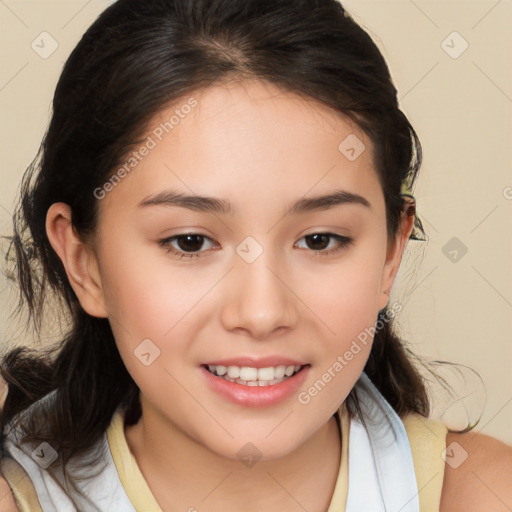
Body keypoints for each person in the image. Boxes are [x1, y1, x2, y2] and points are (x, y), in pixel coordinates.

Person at [1, 0, 511, 511]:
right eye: (190, 242)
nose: (263, 313)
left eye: (319, 240)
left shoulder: (481, 494)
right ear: (83, 261)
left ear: (389, 254)